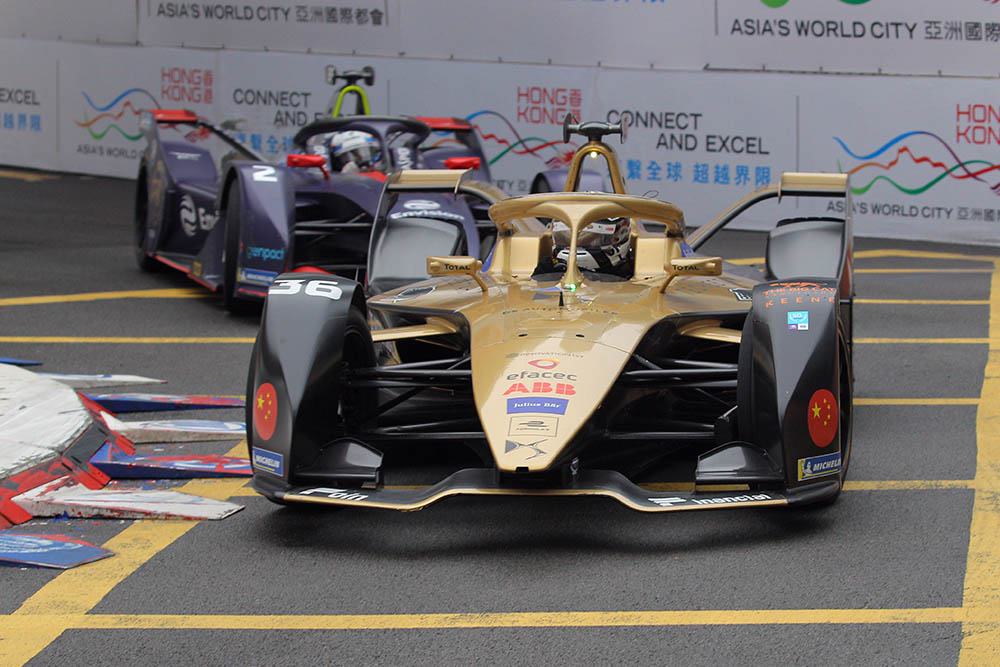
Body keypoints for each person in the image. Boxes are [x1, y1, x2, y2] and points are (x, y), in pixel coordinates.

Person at [542, 217, 633, 278]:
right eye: (564, 239)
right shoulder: (546, 270)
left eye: (593, 242)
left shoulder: (629, 275)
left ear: (618, 239)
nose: (575, 247)